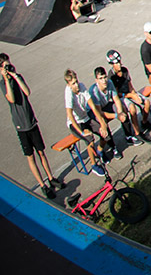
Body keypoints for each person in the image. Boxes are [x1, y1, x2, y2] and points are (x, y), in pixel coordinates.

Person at [3, 54, 62, 199]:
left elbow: (27, 92)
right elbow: (10, 98)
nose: (9, 67)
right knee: (31, 157)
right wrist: (6, 79)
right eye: (5, 66)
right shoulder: (3, 84)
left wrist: (16, 76)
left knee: (41, 152)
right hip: (21, 127)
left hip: (31, 122)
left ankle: (51, 177)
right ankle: (42, 185)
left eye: (9, 64)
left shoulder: (18, 77)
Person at [64, 69, 111, 173]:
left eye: (76, 81)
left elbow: (93, 107)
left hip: (86, 118)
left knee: (105, 134)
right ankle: (94, 165)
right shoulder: (68, 93)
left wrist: (102, 124)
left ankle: (99, 151)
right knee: (89, 138)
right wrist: (81, 132)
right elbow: (70, 115)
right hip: (75, 122)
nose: (76, 85)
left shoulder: (82, 86)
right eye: (73, 83)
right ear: (68, 84)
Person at [89, 66, 144, 147]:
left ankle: (129, 136)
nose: (104, 81)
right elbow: (99, 112)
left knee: (123, 109)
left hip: (105, 105)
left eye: (105, 77)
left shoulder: (109, 83)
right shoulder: (94, 92)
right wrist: (116, 115)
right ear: (96, 80)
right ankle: (113, 148)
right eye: (101, 78)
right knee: (103, 121)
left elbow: (117, 100)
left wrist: (120, 112)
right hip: (94, 112)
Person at [106, 50, 151, 139]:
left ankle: (144, 122)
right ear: (112, 64)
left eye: (119, 62)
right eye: (116, 63)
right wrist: (131, 96)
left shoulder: (124, 71)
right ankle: (137, 132)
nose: (119, 65)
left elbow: (129, 85)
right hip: (121, 97)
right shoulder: (111, 76)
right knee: (132, 108)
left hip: (129, 93)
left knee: (146, 102)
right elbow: (116, 94)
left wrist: (135, 94)